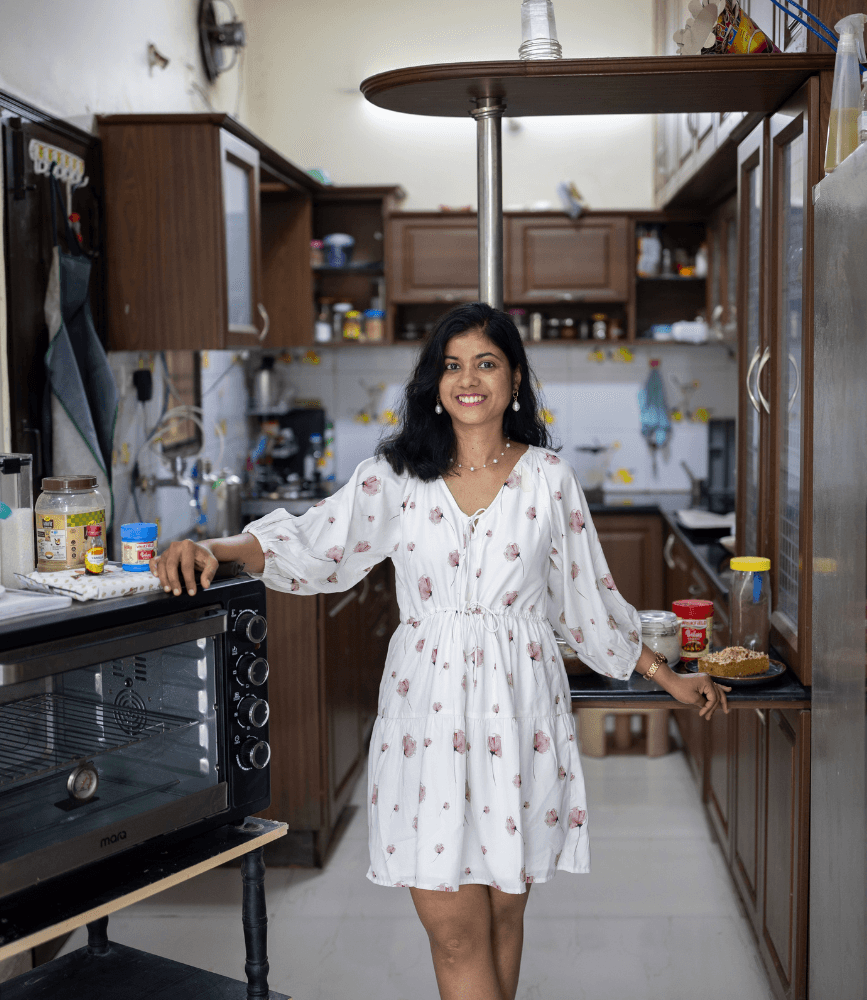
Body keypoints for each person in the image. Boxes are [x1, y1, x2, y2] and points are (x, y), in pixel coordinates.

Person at [153, 302, 730, 1000]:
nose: (469, 379)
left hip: (520, 716)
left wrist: (664, 674)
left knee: (502, 912)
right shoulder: (395, 477)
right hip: (428, 716)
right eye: (452, 365)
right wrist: (212, 547)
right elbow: (314, 541)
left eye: (486, 363)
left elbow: (588, 601)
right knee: (453, 927)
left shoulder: (549, 478)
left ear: (514, 379)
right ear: (433, 383)